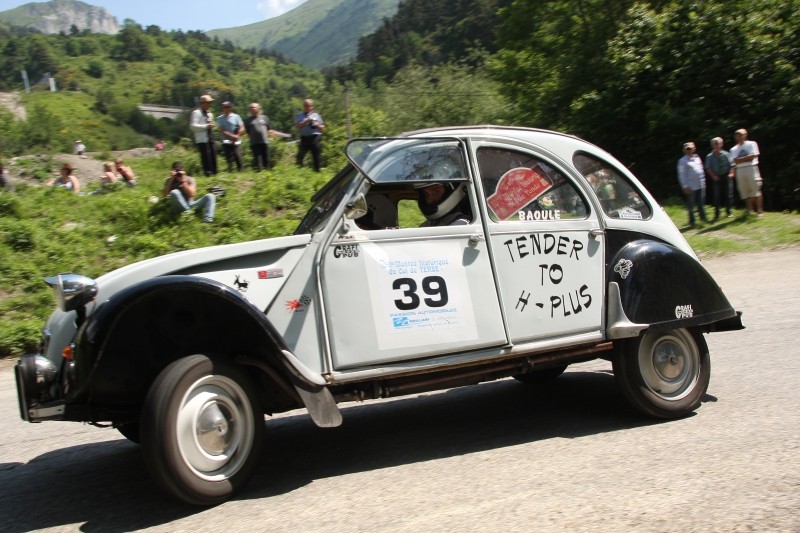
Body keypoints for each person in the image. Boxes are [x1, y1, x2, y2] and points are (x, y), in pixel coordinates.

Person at [730, 128, 764, 217]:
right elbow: (735, 161)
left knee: (756, 188)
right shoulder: (733, 149)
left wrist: (740, 159)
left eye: (741, 135)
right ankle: (750, 211)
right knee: (744, 190)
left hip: (751, 168)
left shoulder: (752, 144)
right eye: (737, 136)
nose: (739, 137)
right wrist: (746, 158)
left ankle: (760, 211)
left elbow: (753, 156)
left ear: (745, 135)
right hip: (740, 170)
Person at [677, 141, 708, 227]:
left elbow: (701, 171)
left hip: (700, 184)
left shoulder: (697, 158)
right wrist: (685, 186)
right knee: (691, 205)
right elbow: (681, 174)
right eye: (687, 149)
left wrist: (703, 182)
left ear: (694, 149)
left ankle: (703, 219)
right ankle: (692, 221)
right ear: (684, 150)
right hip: (691, 186)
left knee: (701, 203)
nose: (689, 150)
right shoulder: (682, 161)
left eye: (690, 148)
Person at [705, 137, 735, 220]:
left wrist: (731, 173)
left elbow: (732, 165)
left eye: (718, 143)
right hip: (716, 177)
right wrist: (713, 176)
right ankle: (717, 214)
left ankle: (729, 212)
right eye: (714, 144)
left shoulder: (726, 154)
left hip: (726, 175)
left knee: (728, 195)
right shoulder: (709, 156)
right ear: (712, 145)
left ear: (721, 144)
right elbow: (708, 168)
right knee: (716, 196)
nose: (716, 145)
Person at [189, 94, 218, 176]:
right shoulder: (196, 113)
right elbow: (193, 126)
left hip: (210, 137)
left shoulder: (210, 114)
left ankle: (215, 173)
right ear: (203, 103)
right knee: (206, 157)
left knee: (213, 156)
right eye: (208, 103)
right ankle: (208, 173)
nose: (210, 105)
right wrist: (206, 126)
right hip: (202, 139)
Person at [294, 98, 325, 171]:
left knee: (316, 155)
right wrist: (306, 121)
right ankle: (299, 171)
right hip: (304, 138)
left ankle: (317, 171)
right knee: (300, 156)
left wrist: (316, 124)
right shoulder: (300, 115)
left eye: (308, 106)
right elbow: (297, 126)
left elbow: (323, 128)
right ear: (303, 106)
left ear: (312, 106)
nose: (307, 107)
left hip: (315, 137)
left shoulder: (316, 115)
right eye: (305, 106)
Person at [244, 102, 273, 171]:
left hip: (264, 141)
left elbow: (269, 129)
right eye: (251, 108)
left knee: (266, 159)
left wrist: (271, 137)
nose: (252, 109)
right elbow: (247, 131)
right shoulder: (248, 120)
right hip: (254, 143)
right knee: (258, 160)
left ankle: (268, 172)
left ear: (259, 108)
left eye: (254, 107)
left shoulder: (265, 118)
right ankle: (259, 173)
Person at [217, 101, 245, 172]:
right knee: (229, 159)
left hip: (236, 141)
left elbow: (242, 127)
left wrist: (237, 135)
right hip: (226, 141)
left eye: (227, 107)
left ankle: (241, 172)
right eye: (224, 107)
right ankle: (230, 172)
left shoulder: (236, 116)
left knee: (238, 157)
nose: (225, 109)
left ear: (230, 108)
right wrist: (232, 136)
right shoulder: (220, 118)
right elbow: (222, 130)